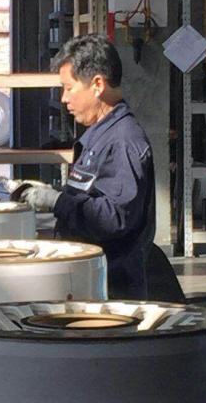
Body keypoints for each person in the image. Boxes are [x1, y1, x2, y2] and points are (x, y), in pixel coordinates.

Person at [22, 34, 155, 299]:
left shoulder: (123, 141)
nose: (63, 98)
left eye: (69, 88)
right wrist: (54, 194)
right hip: (87, 280)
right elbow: (89, 196)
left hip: (110, 291)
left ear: (97, 84)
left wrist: (56, 201)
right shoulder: (99, 134)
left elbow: (112, 218)